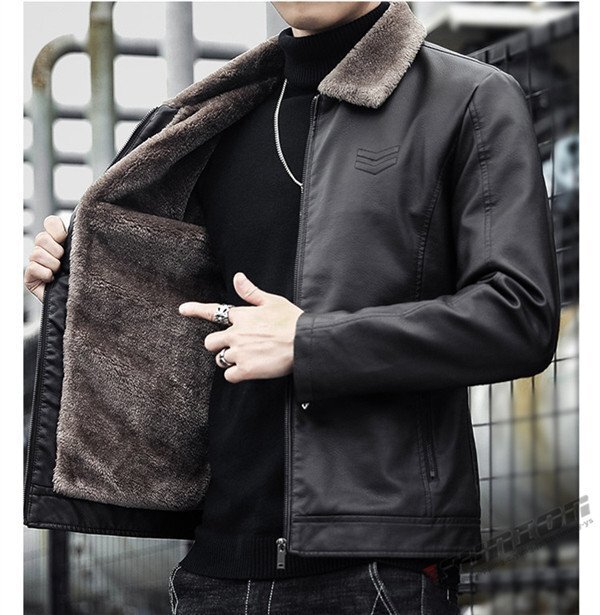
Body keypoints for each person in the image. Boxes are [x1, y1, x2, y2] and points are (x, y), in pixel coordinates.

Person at [24, 1, 560, 613]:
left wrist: (309, 344)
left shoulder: (469, 97)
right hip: (214, 568)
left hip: (372, 570)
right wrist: (84, 281)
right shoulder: (216, 119)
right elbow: (176, 323)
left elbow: (519, 313)